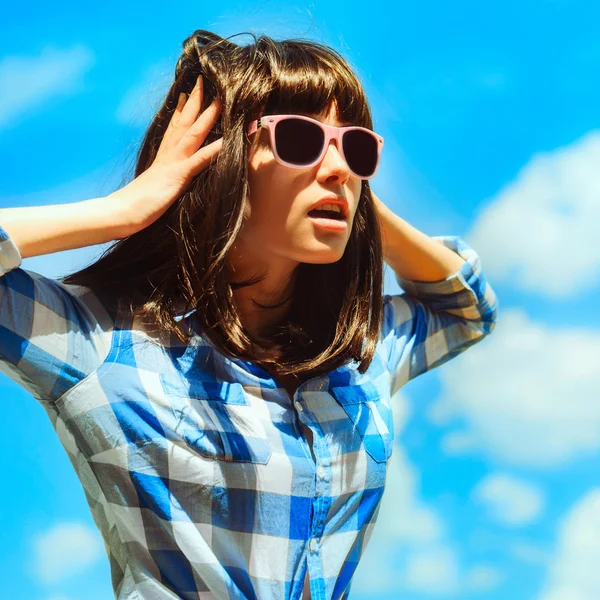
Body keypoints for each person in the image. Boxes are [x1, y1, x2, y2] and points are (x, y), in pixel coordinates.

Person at [0, 29, 499, 600]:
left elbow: (468, 307)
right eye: (300, 138)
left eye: (355, 147)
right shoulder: (98, 343)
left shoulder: (358, 354)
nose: (337, 167)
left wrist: (354, 203)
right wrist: (124, 210)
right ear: (220, 158)